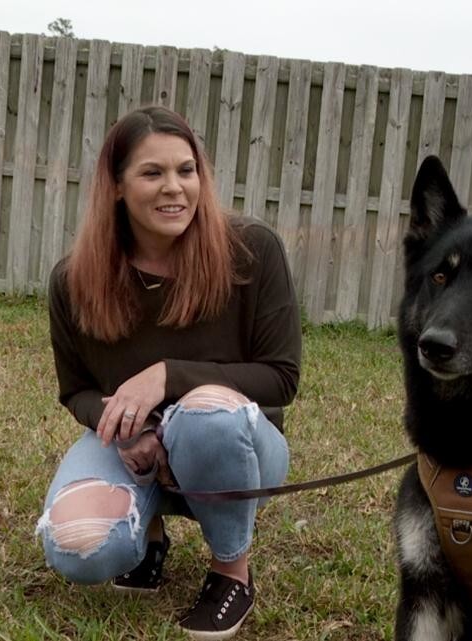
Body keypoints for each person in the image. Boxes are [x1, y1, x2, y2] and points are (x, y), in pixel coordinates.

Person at [35, 105, 301, 640]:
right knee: (79, 548)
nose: (174, 188)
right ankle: (147, 534)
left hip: (233, 443)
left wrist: (168, 376)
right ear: (115, 186)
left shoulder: (252, 251)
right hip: (130, 446)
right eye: (152, 173)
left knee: (207, 416)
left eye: (186, 170)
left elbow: (280, 378)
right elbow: (76, 391)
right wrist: (122, 422)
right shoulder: (73, 279)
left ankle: (231, 570)